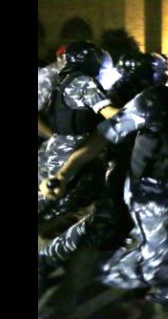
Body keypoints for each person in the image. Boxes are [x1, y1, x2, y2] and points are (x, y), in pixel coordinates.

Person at [40, 31, 168, 318]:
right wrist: (65, 174)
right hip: (145, 184)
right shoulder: (152, 100)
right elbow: (103, 136)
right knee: (127, 245)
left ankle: (159, 296)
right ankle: (88, 282)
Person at [38, 41, 119, 226]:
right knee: (58, 201)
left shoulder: (63, 79)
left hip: (58, 147)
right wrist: (140, 109)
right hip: (74, 150)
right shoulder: (83, 82)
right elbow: (110, 113)